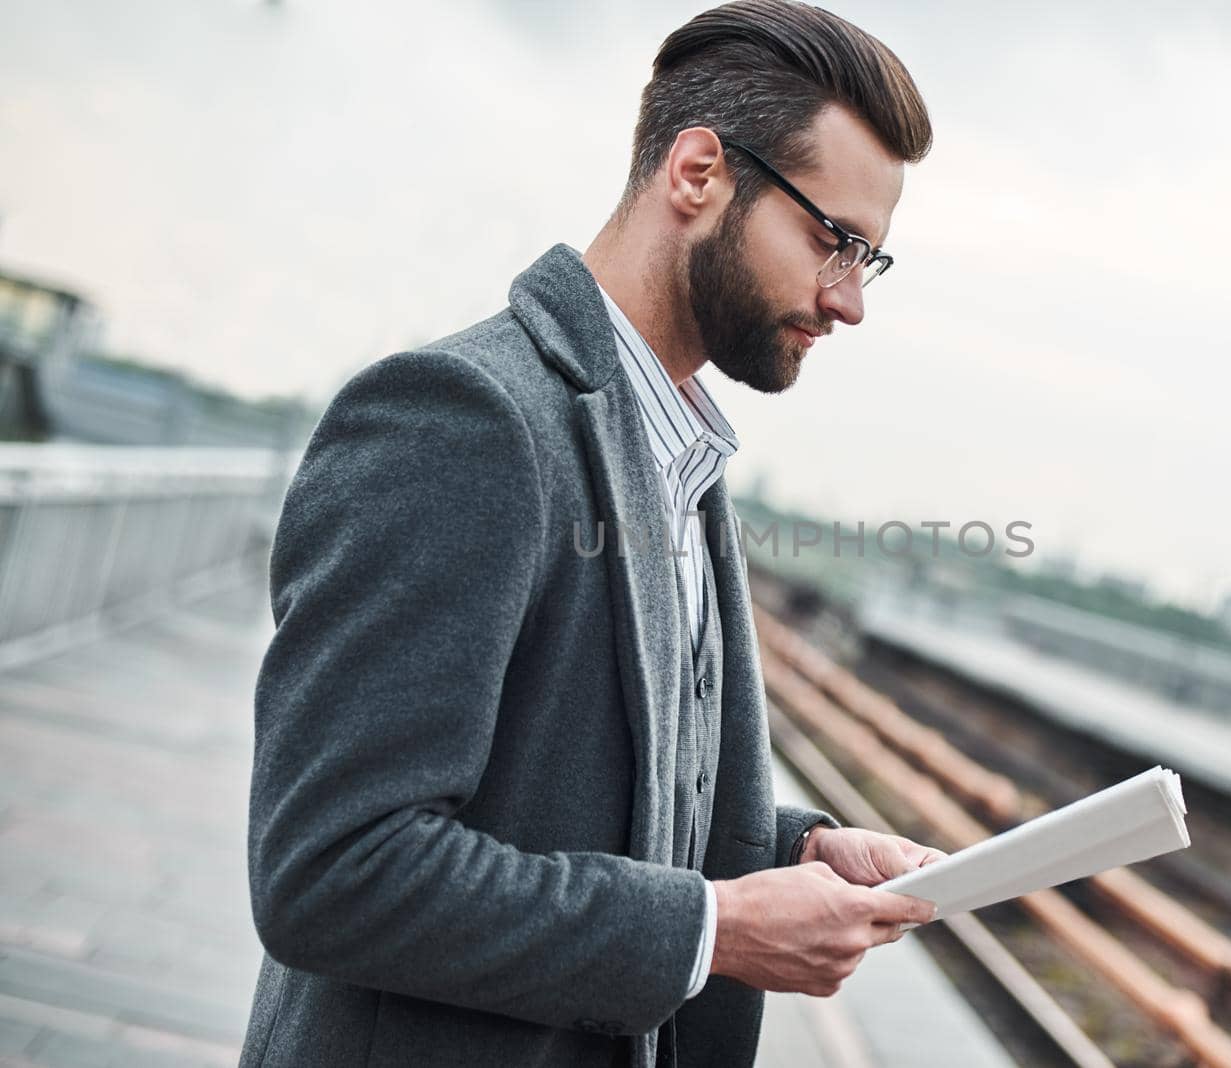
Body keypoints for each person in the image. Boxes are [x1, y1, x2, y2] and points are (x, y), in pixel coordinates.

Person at [239, 2, 942, 1065]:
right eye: (832, 240)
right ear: (698, 174)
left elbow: (584, 781)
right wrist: (720, 928)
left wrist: (794, 849)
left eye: (868, 262)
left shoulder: (678, 455)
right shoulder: (462, 421)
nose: (848, 302)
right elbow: (335, 871)